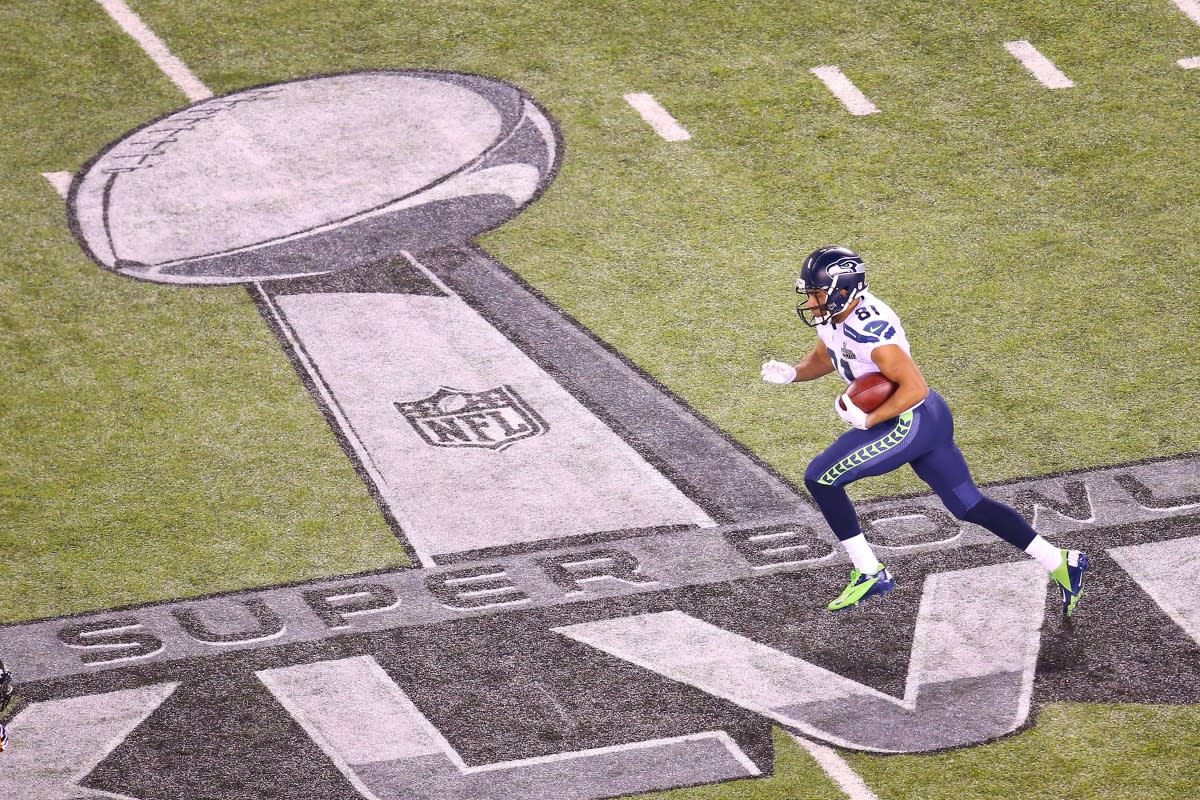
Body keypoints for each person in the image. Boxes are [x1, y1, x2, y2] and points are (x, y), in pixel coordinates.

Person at [761, 245, 1088, 614]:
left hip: (910, 418)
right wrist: (794, 373)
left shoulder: (871, 331)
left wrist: (867, 419)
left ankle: (870, 572)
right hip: (926, 418)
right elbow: (826, 355)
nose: (812, 301)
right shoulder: (836, 315)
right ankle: (1062, 562)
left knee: (821, 477)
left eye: (817, 292)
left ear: (842, 288)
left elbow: (915, 388)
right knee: (969, 506)